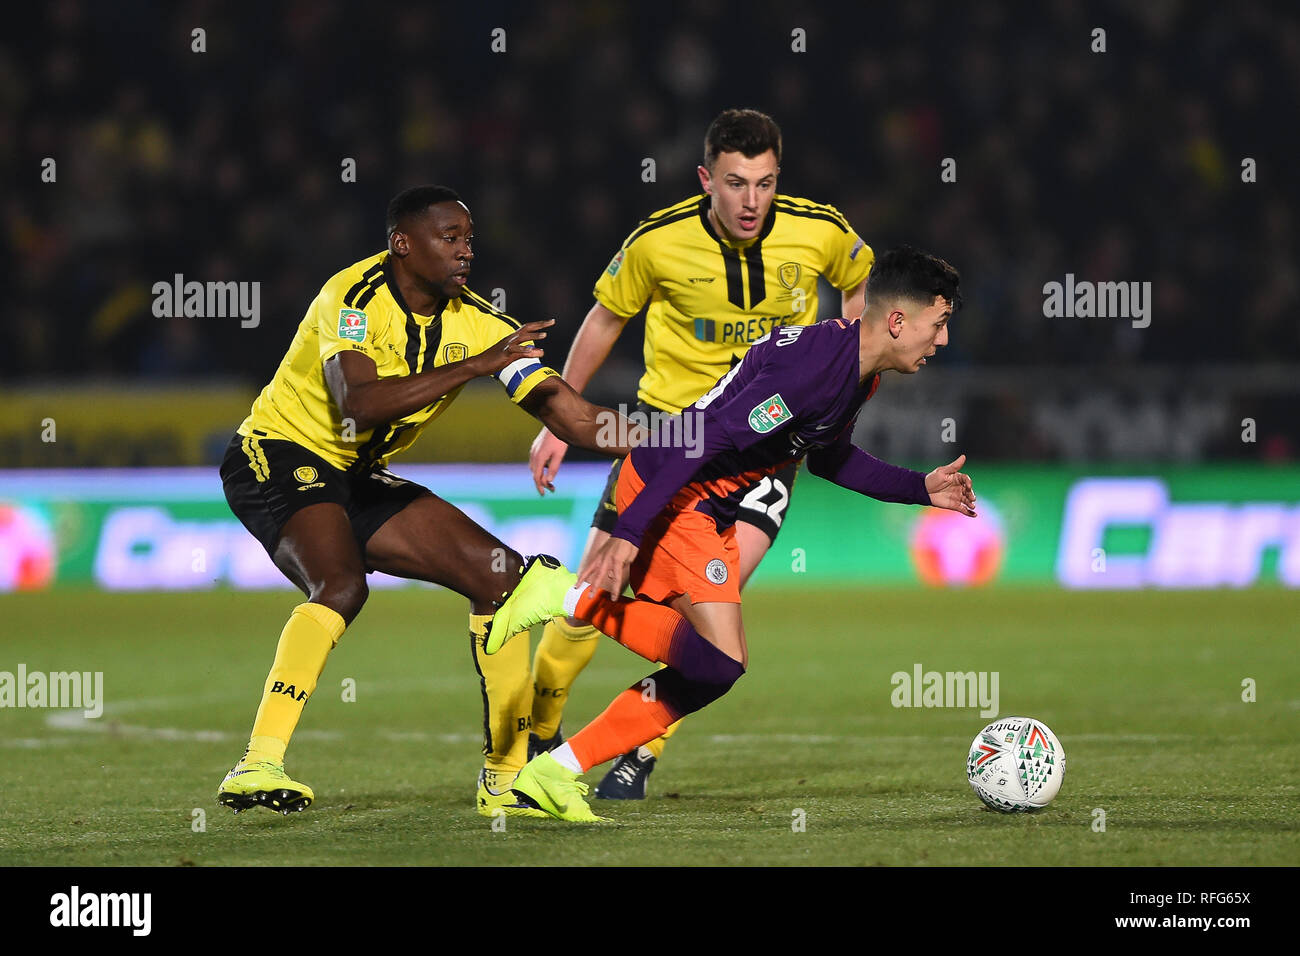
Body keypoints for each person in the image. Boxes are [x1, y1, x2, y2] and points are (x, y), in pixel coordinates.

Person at [485, 246, 973, 822]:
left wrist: (922, 489)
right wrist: (629, 532)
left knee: (715, 669)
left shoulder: (852, 370)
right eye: (938, 324)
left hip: (702, 499)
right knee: (719, 662)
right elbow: (700, 437)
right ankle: (560, 595)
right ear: (898, 321)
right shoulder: (814, 372)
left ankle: (554, 771)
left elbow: (829, 460)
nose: (941, 340)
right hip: (678, 486)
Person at [217, 185, 639, 817]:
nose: (466, 251)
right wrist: (477, 366)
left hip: (357, 474)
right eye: (450, 238)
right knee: (341, 585)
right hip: (279, 454)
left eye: (469, 238)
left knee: (503, 581)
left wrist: (677, 442)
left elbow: (573, 418)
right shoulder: (351, 298)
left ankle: (506, 780)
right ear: (403, 244)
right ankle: (258, 765)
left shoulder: (479, 323)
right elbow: (357, 405)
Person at [525, 109, 875, 798]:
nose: (753, 201)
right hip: (668, 441)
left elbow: (860, 276)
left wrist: (845, 356)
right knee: (591, 598)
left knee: (709, 619)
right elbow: (606, 317)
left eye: (767, 183)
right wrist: (560, 416)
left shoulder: (822, 229)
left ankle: (639, 753)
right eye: (737, 183)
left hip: (765, 453)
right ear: (705, 178)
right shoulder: (658, 242)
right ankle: (537, 729)